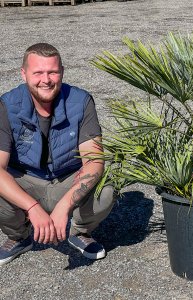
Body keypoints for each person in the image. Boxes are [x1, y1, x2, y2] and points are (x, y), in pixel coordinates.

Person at [0, 43, 115, 266]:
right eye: (38, 73)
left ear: (61, 71)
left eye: (52, 72)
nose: (46, 79)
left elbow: (94, 162)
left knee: (108, 187)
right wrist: (33, 209)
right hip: (26, 178)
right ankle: (18, 236)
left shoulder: (81, 102)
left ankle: (80, 230)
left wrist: (64, 207)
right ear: (23, 74)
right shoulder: (7, 105)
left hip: (67, 177)